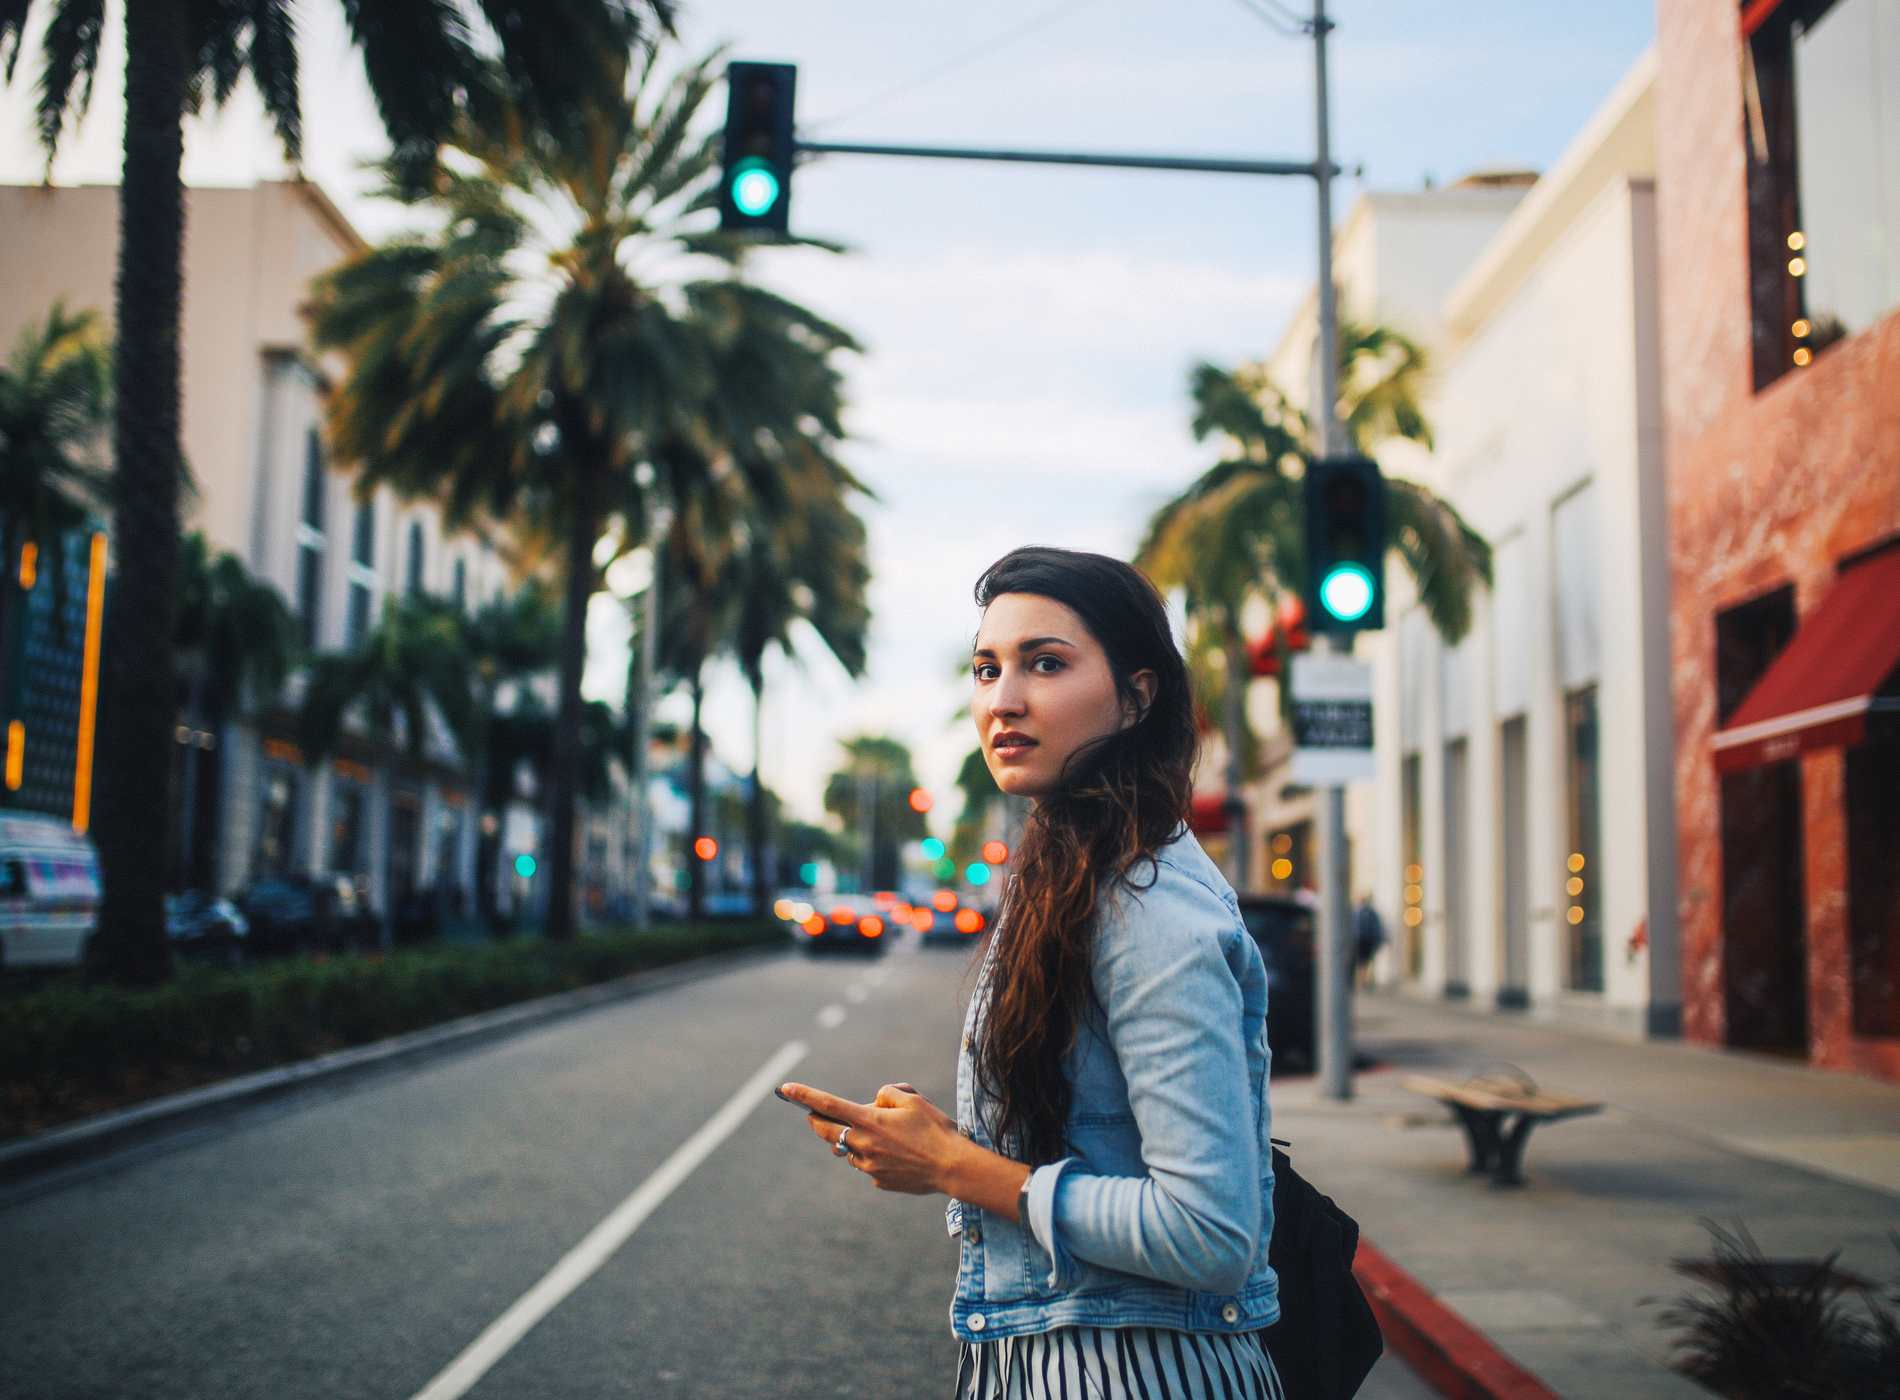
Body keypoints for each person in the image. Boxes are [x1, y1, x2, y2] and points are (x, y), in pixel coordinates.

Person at [779, 546, 1284, 1398]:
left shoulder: (1147, 908)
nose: (1002, 701)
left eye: (1046, 664)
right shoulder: (1073, 876)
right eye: (986, 669)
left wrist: (952, 1164)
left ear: (1137, 693)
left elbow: (1209, 1231)